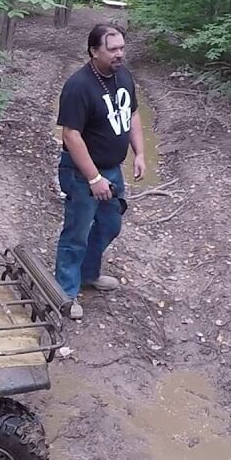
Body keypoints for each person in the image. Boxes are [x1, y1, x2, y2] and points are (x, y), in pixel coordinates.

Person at [54, 24, 146, 320]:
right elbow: (71, 135)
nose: (120, 54)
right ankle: (65, 293)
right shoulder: (79, 85)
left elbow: (131, 114)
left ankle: (88, 274)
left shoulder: (123, 76)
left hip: (113, 169)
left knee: (110, 225)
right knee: (76, 233)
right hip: (82, 174)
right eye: (113, 49)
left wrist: (140, 153)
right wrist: (94, 178)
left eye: (121, 47)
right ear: (94, 51)